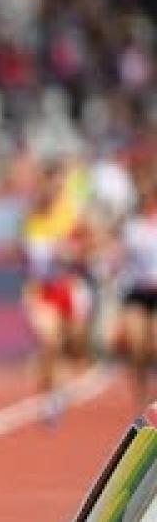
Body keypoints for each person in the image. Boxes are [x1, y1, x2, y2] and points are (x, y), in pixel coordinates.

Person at [19, 159, 94, 424]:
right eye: (46, 184)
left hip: (69, 286)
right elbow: (25, 256)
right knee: (50, 341)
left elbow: (91, 245)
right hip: (43, 290)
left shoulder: (72, 214)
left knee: (71, 348)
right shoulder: (32, 216)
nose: (51, 189)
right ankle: (49, 397)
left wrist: (73, 251)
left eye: (56, 184)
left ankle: (55, 388)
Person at [119, 175, 157, 411]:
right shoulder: (130, 226)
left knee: (155, 344)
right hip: (136, 291)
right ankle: (141, 401)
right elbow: (120, 256)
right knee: (136, 346)